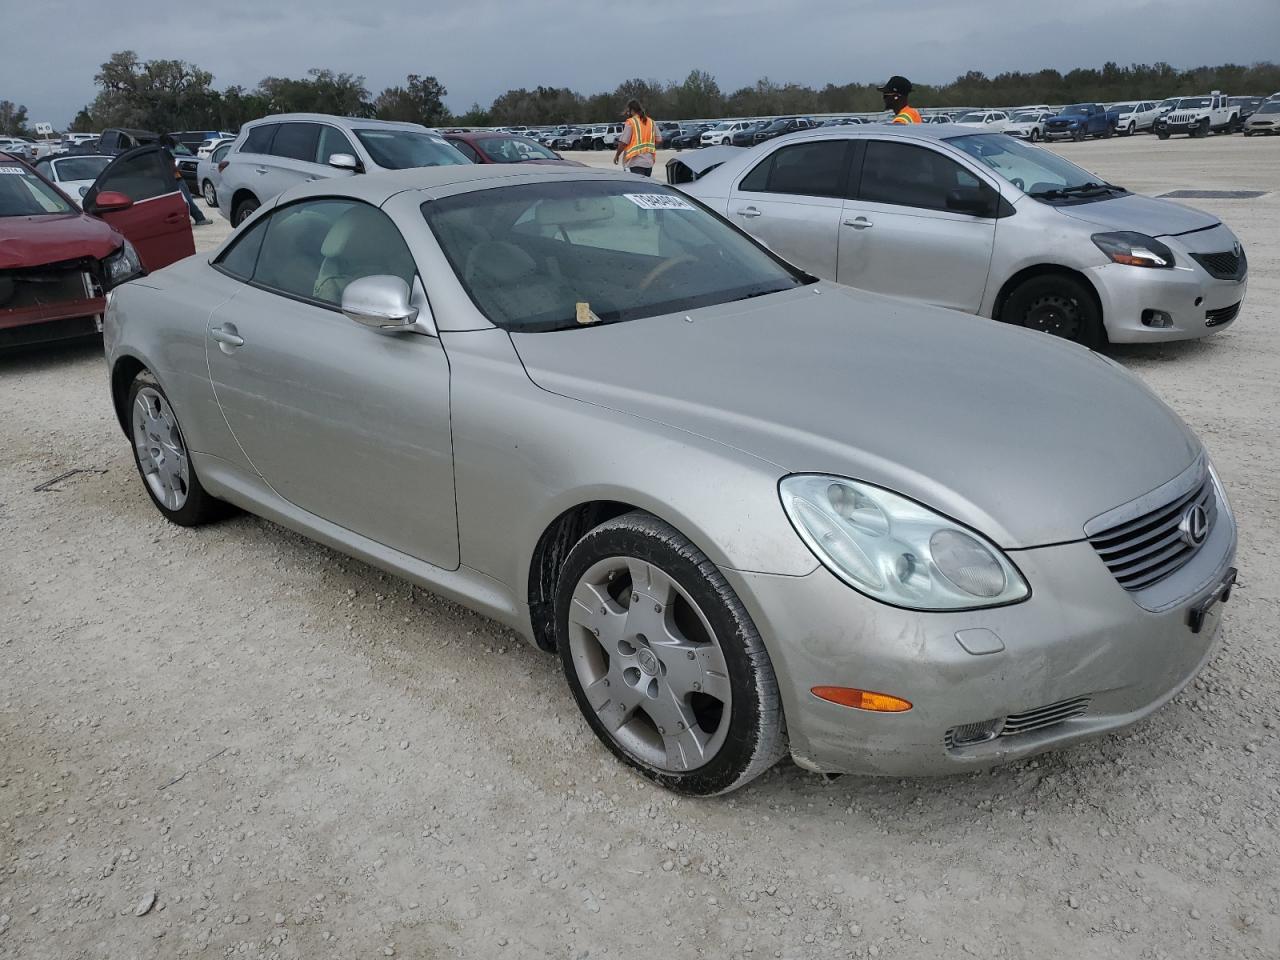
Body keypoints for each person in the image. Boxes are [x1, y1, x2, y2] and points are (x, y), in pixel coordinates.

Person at [160, 134, 210, 226]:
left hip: (168, 180)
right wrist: (177, 168)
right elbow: (172, 166)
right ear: (168, 142)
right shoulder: (167, 152)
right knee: (188, 199)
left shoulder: (159, 152)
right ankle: (200, 218)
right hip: (177, 179)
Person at [613, 99, 661, 176]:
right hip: (649, 163)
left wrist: (617, 155)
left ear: (632, 110)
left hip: (635, 163)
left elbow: (623, 143)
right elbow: (658, 140)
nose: (627, 113)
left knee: (638, 187)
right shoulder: (651, 122)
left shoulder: (631, 122)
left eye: (628, 111)